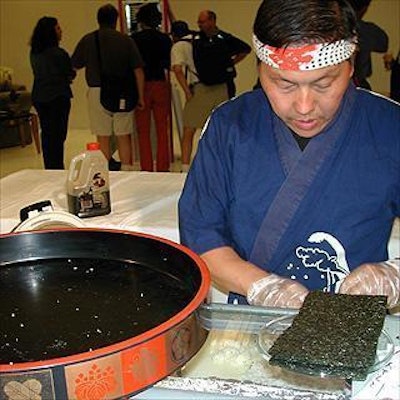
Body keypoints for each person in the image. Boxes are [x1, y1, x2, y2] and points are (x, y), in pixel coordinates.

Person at [178, 0, 400, 309]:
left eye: (324, 83)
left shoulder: (390, 127)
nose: (304, 106)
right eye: (284, 84)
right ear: (260, 69)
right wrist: (259, 286)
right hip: (252, 323)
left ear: (351, 66)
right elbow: (200, 235)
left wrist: (394, 275)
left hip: (355, 325)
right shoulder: (229, 126)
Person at [71, 4, 145, 171]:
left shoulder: (89, 40)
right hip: (123, 92)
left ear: (98, 20)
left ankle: (105, 174)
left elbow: (74, 65)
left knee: (102, 137)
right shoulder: (126, 40)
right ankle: (126, 171)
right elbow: (138, 70)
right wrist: (140, 96)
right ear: (116, 20)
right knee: (123, 135)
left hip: (97, 91)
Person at [29, 16, 75, 169]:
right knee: (58, 135)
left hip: (40, 96)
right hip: (58, 97)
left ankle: (50, 167)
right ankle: (57, 167)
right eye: (58, 28)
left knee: (47, 134)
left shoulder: (34, 53)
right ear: (51, 32)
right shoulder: (59, 53)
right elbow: (70, 73)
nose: (61, 31)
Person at [132, 3, 172, 172]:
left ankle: (146, 167)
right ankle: (163, 166)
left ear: (141, 20)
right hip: (160, 83)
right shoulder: (164, 39)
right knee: (162, 128)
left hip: (141, 86)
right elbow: (168, 63)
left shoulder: (134, 39)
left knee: (143, 131)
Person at [196, 10, 251, 99]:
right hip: (205, 83)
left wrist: (230, 62)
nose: (199, 25)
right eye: (199, 22)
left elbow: (245, 49)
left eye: (202, 22)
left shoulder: (224, 38)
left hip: (224, 82)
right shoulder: (197, 39)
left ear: (212, 21)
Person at [348, 0, 388, 90]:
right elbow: (383, 44)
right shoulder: (368, 30)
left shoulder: (333, 28)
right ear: (364, 8)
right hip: (359, 84)